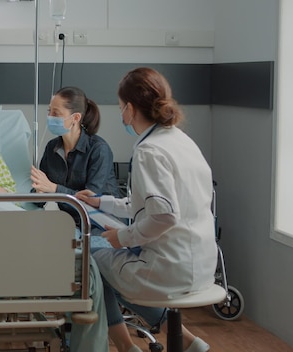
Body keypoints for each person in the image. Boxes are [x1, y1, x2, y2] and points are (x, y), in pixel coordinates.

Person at [76, 67, 216, 352]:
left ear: (129, 108)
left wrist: (123, 237)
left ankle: (127, 348)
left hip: (170, 270)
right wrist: (101, 202)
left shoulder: (149, 150)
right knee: (108, 264)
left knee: (90, 260)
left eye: (119, 108)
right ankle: (188, 343)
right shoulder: (180, 141)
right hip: (201, 265)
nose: (121, 114)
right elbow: (147, 205)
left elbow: (164, 215)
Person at [31, 86, 120, 250]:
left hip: (101, 224)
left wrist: (53, 188)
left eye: (56, 114)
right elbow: (40, 199)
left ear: (75, 118)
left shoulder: (98, 149)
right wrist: (38, 191)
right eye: (49, 111)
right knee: (43, 246)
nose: (50, 117)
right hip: (70, 224)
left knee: (82, 252)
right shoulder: (52, 148)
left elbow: (91, 201)